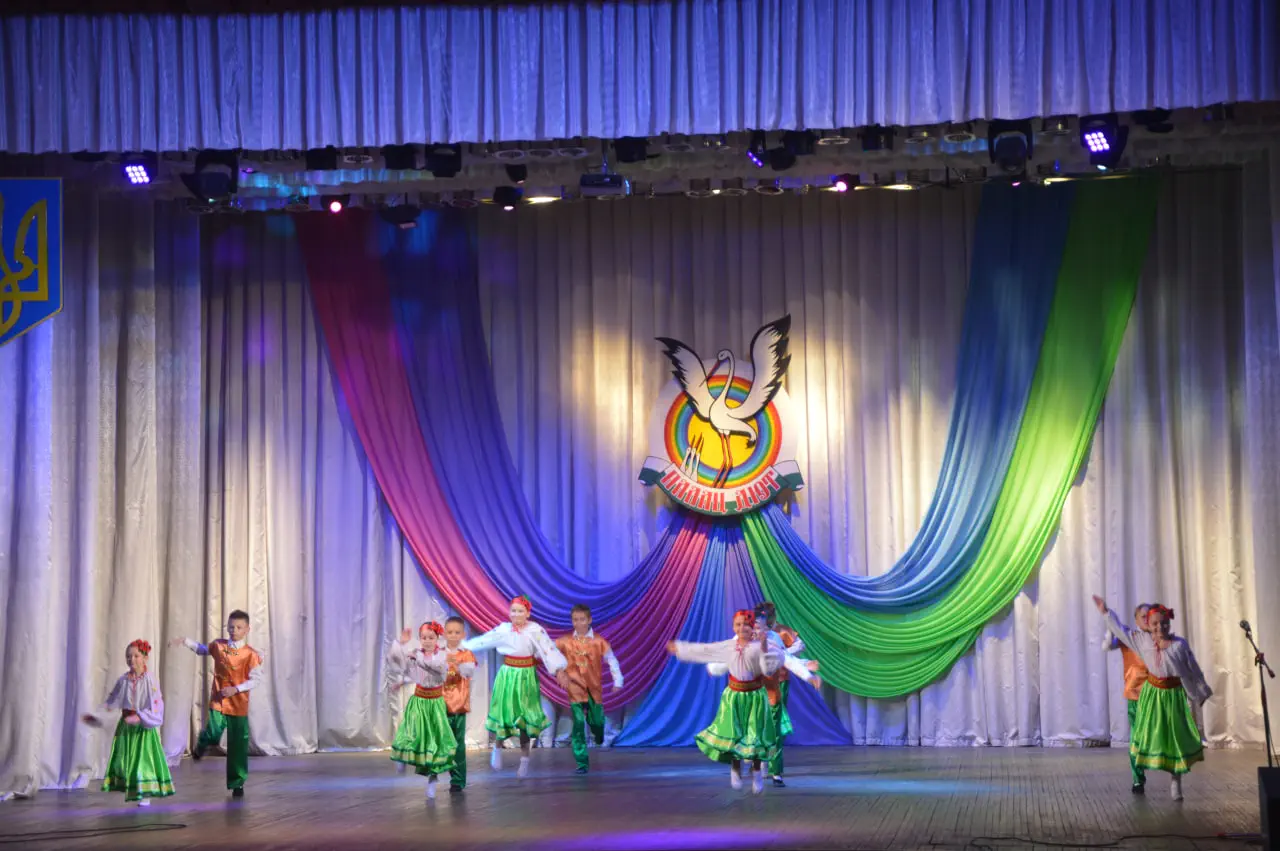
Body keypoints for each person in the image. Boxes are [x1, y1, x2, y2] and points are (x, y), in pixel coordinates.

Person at [1093, 595, 1212, 801]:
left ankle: (1176, 780)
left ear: (1169, 623)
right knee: (1142, 735)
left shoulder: (1178, 645)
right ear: (1148, 624)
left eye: (1164, 623)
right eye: (1155, 623)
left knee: (1174, 738)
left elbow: (1192, 669)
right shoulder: (1142, 641)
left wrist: (1200, 692)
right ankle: (1138, 777)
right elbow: (1121, 631)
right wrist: (1106, 612)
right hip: (1151, 695)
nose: (1160, 627)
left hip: (1173, 696)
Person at [667, 610, 784, 794]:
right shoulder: (729, 646)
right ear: (733, 627)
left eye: (746, 625)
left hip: (755, 697)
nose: (742, 628)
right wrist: (681, 649)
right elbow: (706, 650)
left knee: (754, 735)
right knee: (734, 733)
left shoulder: (759, 646)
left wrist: (763, 646)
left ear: (752, 627)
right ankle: (735, 768)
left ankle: (756, 772)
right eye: (738, 624)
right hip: (734, 696)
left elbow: (767, 669)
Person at [461, 596, 569, 778]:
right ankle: (497, 749)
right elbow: (485, 640)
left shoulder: (535, 630)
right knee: (504, 713)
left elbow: (548, 649)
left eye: (520, 611)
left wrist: (559, 670)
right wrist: (466, 645)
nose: (516, 614)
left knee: (524, 720)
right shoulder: (504, 629)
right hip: (508, 675)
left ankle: (524, 761)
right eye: (513, 611)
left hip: (526, 677)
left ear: (527, 613)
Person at [170, 609, 265, 798]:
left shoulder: (251, 654)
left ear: (247, 629)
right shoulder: (219, 646)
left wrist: (236, 689)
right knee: (214, 731)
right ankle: (202, 745)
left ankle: (237, 782)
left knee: (238, 744)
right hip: (219, 700)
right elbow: (202, 649)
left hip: (238, 704)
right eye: (231, 627)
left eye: (238, 627)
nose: (234, 630)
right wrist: (185, 641)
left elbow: (256, 680)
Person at [81, 639, 174, 806]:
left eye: (136, 656)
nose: (132, 659)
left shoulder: (149, 680)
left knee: (142, 760)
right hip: (126, 727)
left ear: (145, 658)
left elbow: (156, 704)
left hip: (142, 728)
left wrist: (141, 717)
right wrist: (97, 716)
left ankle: (144, 793)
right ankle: (132, 787)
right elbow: (111, 702)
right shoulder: (123, 680)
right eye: (128, 656)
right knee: (125, 760)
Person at [388, 622, 456, 799]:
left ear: (437, 639)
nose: (427, 641)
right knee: (410, 731)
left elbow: (436, 669)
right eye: (424, 638)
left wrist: (416, 659)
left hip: (435, 704)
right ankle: (402, 757)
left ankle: (432, 781)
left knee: (434, 742)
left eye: (431, 638)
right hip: (419, 700)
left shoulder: (442, 655)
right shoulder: (416, 654)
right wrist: (401, 644)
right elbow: (405, 667)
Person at [554, 603, 624, 774]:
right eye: (575, 620)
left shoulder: (599, 642)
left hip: (593, 690)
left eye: (582, 619)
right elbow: (550, 654)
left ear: (589, 620)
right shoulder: (565, 641)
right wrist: (558, 671)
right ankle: (582, 763)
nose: (579, 623)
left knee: (597, 722)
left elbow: (611, 660)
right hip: (575, 690)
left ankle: (598, 734)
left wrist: (618, 681)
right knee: (578, 724)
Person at [1105, 603, 1153, 793]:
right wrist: (1110, 627)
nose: (1147, 619)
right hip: (1136, 696)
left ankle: (1175, 780)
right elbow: (1109, 644)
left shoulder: (1159, 638)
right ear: (1136, 620)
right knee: (1137, 738)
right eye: (1143, 616)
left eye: (1150, 616)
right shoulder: (1129, 638)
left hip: (1157, 695)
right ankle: (1137, 779)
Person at [442, 616, 477, 793]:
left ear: (463, 634)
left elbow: (469, 672)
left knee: (458, 743)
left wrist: (457, 664)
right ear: (444, 633)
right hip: (440, 702)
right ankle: (436, 773)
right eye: (450, 632)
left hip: (458, 704)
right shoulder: (439, 652)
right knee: (442, 741)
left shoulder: (466, 654)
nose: (453, 636)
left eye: (457, 632)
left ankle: (457, 779)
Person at [385, 627, 416, 773]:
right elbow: (392, 659)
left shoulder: (430, 653)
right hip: (408, 691)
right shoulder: (407, 649)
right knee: (404, 723)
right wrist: (401, 643)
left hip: (425, 693)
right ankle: (402, 755)